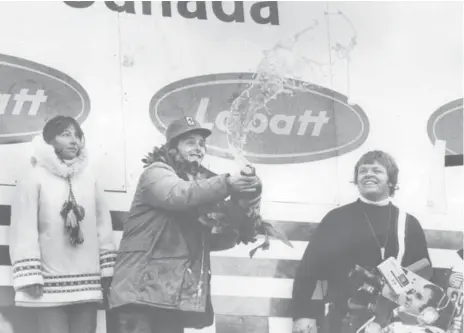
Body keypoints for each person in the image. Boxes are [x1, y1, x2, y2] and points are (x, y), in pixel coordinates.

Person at [108, 116, 261, 333]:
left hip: (170, 299)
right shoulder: (156, 173)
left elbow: (217, 240)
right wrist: (227, 183)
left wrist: (242, 207)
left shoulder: (200, 192)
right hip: (139, 297)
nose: (198, 148)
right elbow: (178, 194)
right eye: (190, 142)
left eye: (201, 143)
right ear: (172, 148)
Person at [291, 150, 431, 333]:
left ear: (391, 180)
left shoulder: (408, 223)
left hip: (393, 321)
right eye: (363, 171)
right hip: (341, 318)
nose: (368, 174)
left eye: (377, 170)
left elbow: (425, 275)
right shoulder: (336, 218)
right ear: (356, 180)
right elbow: (308, 269)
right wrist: (302, 314)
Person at [9, 116, 117, 333]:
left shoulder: (89, 177)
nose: (74, 141)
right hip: (48, 285)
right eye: (66, 134)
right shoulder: (33, 177)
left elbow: (102, 226)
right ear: (49, 141)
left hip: (87, 284)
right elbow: (24, 229)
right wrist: (30, 275)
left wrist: (107, 271)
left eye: (77, 135)